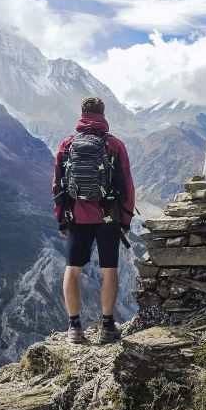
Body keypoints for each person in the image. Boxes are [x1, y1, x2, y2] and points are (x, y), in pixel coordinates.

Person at [52, 97, 135, 344]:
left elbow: (57, 186)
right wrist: (126, 220)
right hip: (108, 216)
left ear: (82, 114)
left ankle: (74, 328)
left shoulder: (67, 145)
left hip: (76, 216)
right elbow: (127, 186)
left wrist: (62, 220)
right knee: (109, 271)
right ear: (103, 114)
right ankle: (108, 326)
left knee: (73, 270)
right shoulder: (115, 145)